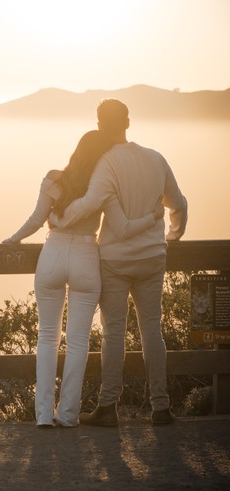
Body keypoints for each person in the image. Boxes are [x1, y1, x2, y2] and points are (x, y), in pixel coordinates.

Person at [4, 130, 162, 428]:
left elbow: (36, 220)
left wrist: (12, 239)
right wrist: (153, 217)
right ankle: (67, 415)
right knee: (78, 342)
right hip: (87, 259)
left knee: (47, 336)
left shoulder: (53, 179)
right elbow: (123, 226)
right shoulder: (102, 186)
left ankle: (42, 416)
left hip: (53, 254)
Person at [49, 99, 188, 426]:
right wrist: (172, 238)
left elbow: (89, 204)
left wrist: (58, 219)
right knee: (152, 330)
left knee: (114, 332)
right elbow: (178, 204)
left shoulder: (106, 164)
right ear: (128, 122)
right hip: (153, 258)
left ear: (99, 124)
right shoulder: (156, 159)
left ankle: (108, 407)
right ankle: (161, 407)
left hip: (114, 260)